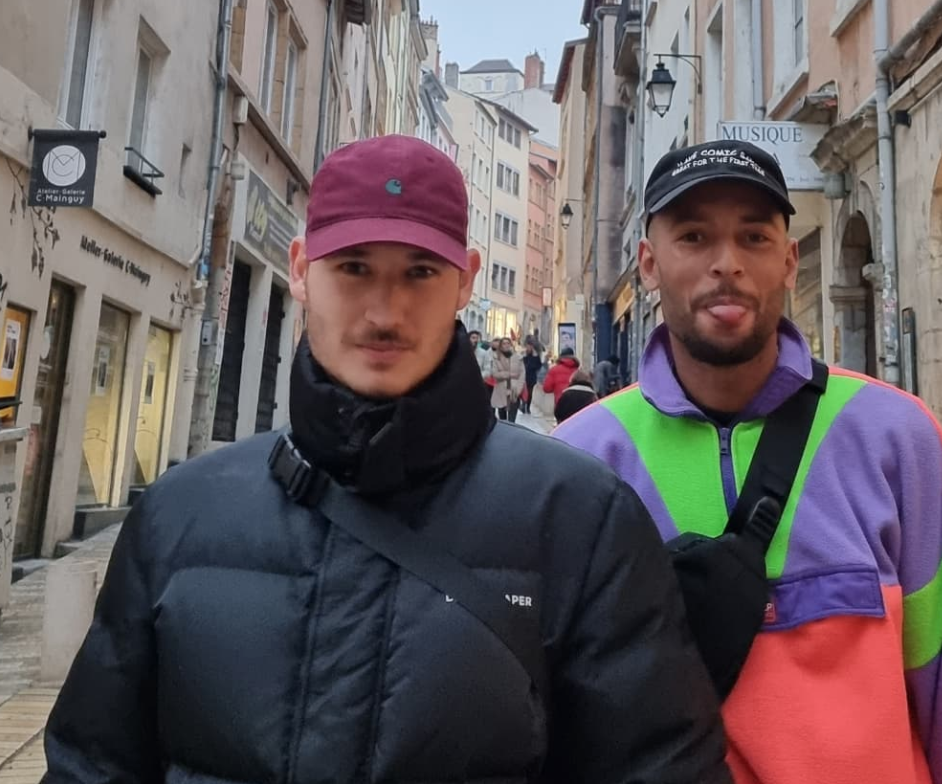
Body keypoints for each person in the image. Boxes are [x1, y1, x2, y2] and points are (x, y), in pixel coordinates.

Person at [43, 135, 731, 784]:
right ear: (301, 270)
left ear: (464, 282)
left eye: (419, 272)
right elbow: (93, 764)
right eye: (354, 268)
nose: (384, 312)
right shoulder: (178, 515)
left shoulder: (582, 518)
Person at [554, 139, 942, 784]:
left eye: (754, 238)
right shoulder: (582, 461)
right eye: (694, 237)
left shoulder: (895, 439)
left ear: (788, 261)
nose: (727, 264)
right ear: (648, 264)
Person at [490, 337, 522, 422]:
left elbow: (521, 374)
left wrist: (518, 389)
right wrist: (510, 374)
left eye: (508, 343)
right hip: (501, 390)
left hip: (514, 390)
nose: (506, 345)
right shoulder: (496, 358)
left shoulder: (517, 357)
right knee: (502, 418)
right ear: (500, 346)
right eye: (504, 343)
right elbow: (495, 374)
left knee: (512, 419)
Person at [522, 344, 543, 414]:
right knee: (523, 393)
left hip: (532, 378)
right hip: (523, 377)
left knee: (530, 393)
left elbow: (538, 366)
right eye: (527, 347)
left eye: (530, 347)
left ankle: (528, 407)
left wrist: (535, 356)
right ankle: (523, 405)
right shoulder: (524, 357)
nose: (528, 348)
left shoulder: (535, 358)